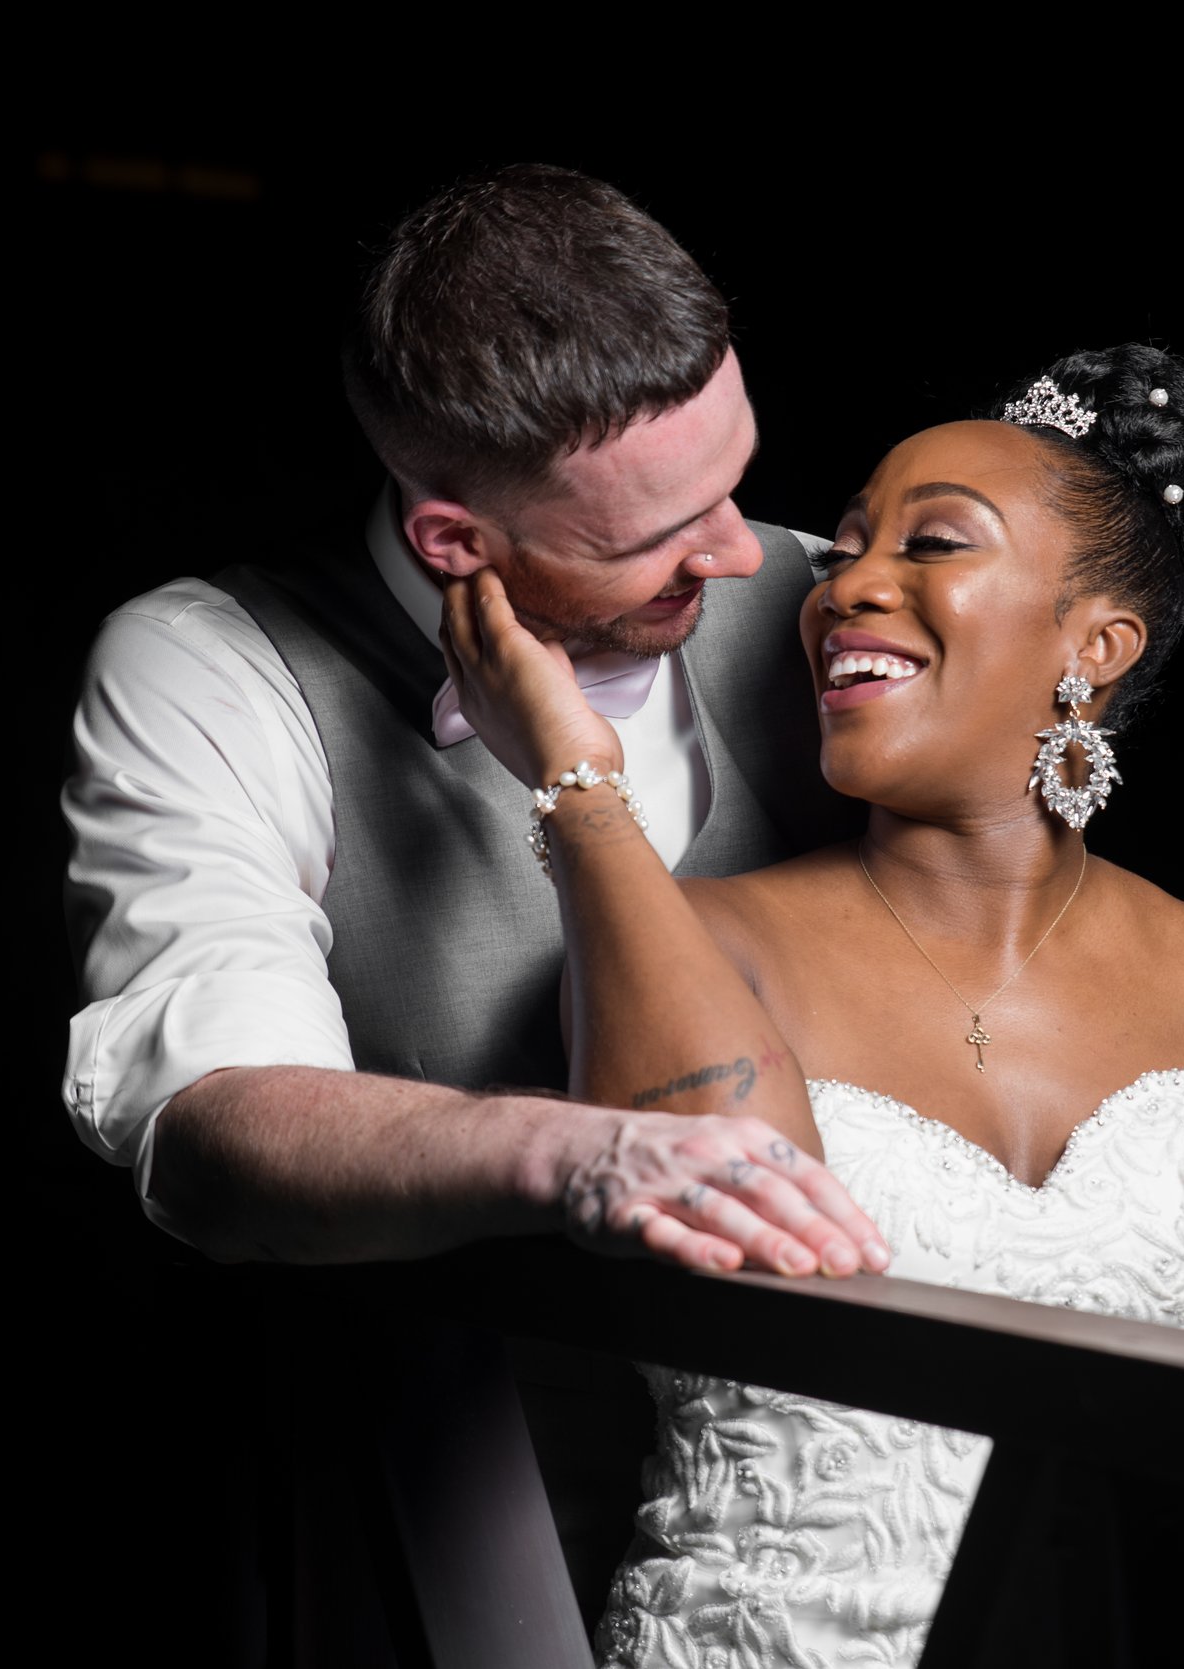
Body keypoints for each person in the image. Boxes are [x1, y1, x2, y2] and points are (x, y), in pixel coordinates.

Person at [58, 164, 891, 1641]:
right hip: (444, 1571)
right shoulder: (214, 664)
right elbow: (211, 1130)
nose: (748, 553)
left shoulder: (846, 620)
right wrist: (582, 1160)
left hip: (854, 1549)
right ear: (455, 539)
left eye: (738, 478)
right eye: (659, 534)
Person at [440, 344, 1184, 1665]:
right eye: (844, 552)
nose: (849, 587)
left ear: (1093, 644)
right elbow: (724, 1235)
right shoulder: (702, 939)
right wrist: (578, 786)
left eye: (933, 544)